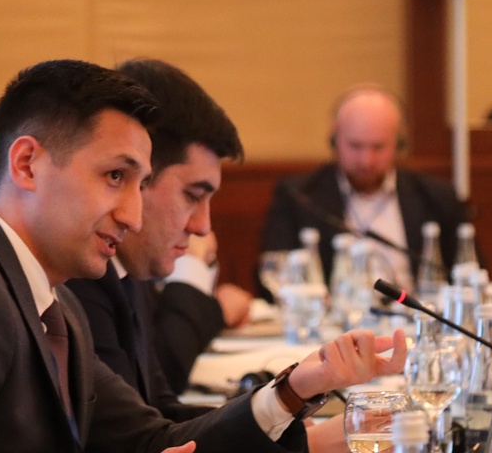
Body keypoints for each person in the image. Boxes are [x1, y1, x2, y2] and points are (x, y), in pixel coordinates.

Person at [0, 59, 406, 453]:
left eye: (140, 183)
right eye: (114, 177)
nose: (132, 214)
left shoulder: (51, 301)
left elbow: (152, 440)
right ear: (27, 164)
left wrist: (299, 385)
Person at [65, 58, 357, 453]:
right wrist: (306, 431)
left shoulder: (125, 275)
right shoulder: (77, 280)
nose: (203, 226)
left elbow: (158, 414)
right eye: (192, 196)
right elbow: (137, 440)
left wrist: (290, 406)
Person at [258, 84, 469, 291]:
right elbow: (271, 276)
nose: (366, 161)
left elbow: (467, 275)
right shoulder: (300, 197)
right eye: (355, 146)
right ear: (334, 141)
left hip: (413, 309)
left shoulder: (436, 196)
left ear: (399, 144)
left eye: (378, 147)